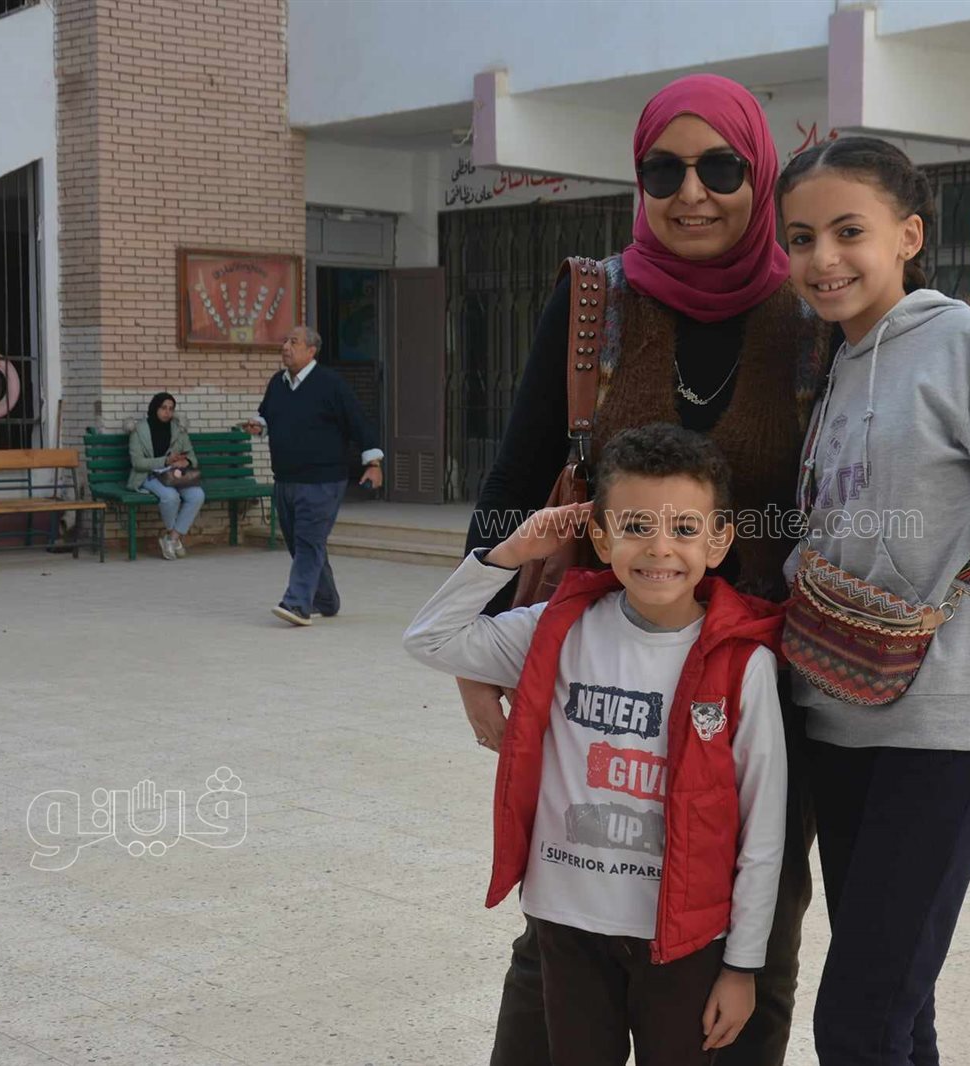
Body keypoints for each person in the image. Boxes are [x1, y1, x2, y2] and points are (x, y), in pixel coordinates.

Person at [458, 74, 835, 1065]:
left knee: (758, 917)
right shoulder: (598, 299)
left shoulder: (808, 314)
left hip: (759, 672)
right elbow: (516, 473)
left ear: (760, 174)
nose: (691, 192)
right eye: (662, 171)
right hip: (604, 656)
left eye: (721, 168)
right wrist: (476, 647)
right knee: (567, 915)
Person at [776, 136, 970, 1063]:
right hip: (837, 709)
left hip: (944, 725)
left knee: (857, 1020)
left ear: (908, 235)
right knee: (897, 1007)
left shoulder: (965, 342)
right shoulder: (838, 358)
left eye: (849, 231)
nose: (823, 258)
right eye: (802, 238)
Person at [405, 425, 788, 1065]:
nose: (659, 548)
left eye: (685, 529)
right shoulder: (559, 627)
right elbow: (429, 639)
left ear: (719, 541)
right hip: (568, 924)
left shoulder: (741, 663)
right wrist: (512, 552)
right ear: (602, 537)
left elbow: (763, 827)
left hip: (683, 939)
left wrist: (743, 966)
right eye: (635, 526)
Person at [243, 325, 382, 625]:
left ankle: (297, 604)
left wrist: (373, 463)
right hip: (285, 480)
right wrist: (259, 424)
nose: (285, 347)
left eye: (293, 342)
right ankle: (326, 599)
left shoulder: (331, 384)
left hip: (322, 482)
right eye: (284, 341)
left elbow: (358, 422)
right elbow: (267, 414)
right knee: (300, 543)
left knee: (308, 540)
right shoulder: (278, 383)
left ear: (311, 350)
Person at [129, 392, 204, 561]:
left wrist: (186, 462)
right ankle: (173, 537)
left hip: (174, 475)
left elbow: (192, 456)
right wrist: (164, 461)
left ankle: (172, 539)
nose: (167, 412)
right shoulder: (139, 431)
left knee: (197, 495)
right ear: (155, 408)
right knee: (170, 497)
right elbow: (137, 463)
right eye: (163, 408)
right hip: (149, 475)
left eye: (171, 409)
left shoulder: (178, 429)